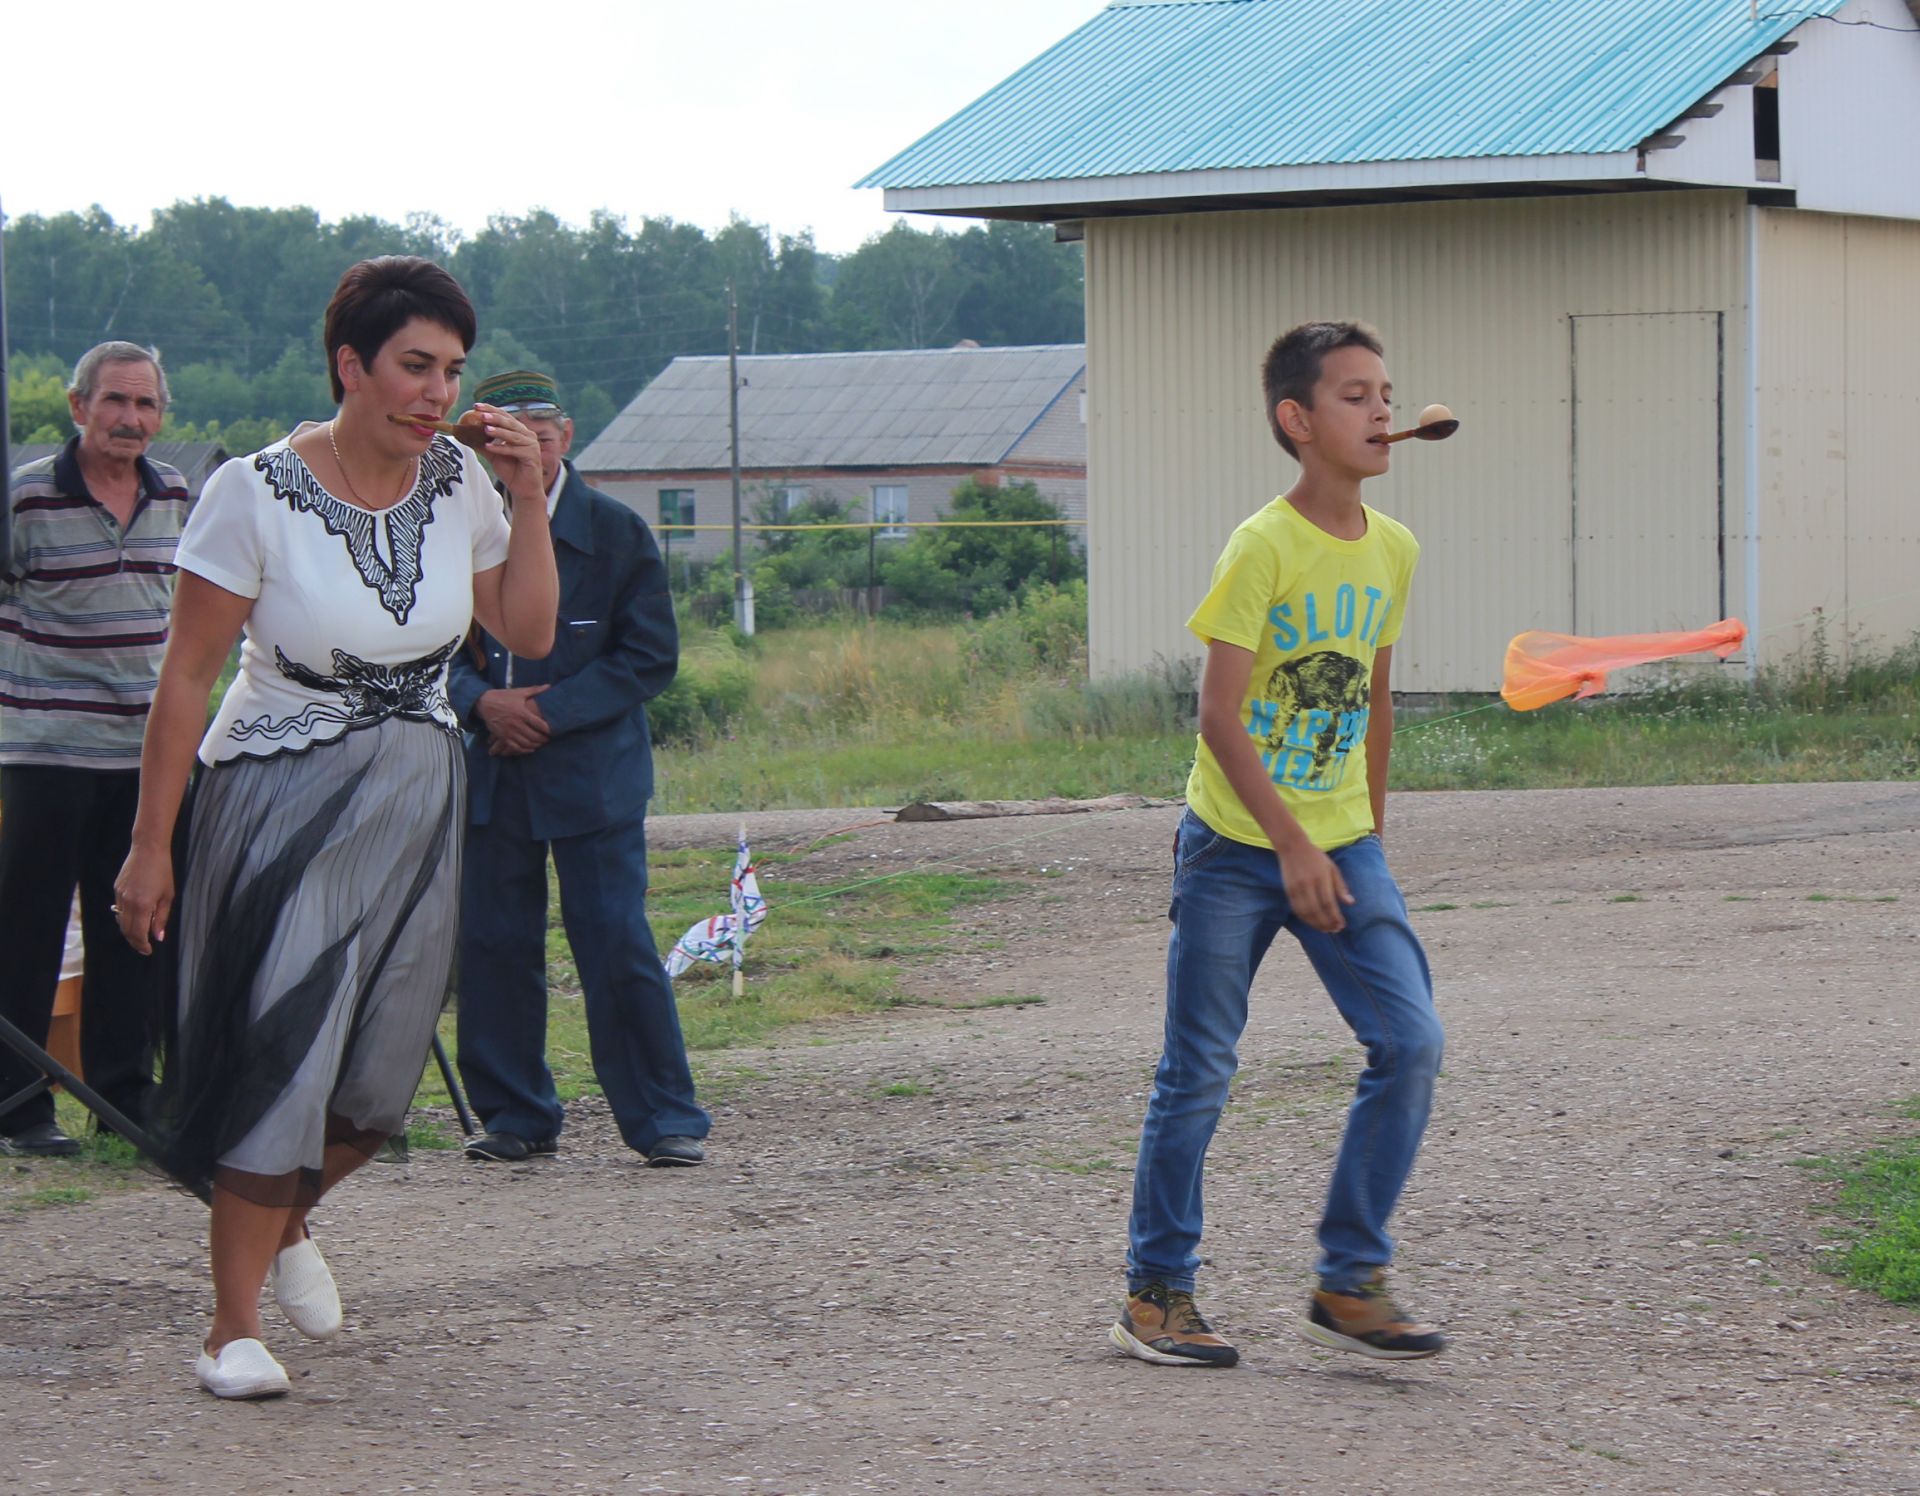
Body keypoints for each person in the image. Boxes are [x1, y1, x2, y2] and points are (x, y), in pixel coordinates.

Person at [112, 258, 558, 1400]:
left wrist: (530, 498)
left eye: (452, 370)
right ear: (351, 366)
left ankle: (287, 1214)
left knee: (375, 1081)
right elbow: (185, 683)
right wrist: (149, 843)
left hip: (416, 794)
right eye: (415, 366)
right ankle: (229, 1328)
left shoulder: (458, 479)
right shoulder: (253, 491)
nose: (436, 391)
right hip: (278, 797)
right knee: (284, 1051)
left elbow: (527, 630)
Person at [1111, 321, 1447, 1369]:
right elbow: (1217, 714)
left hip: (1341, 843)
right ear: (1297, 422)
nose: (1383, 410)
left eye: (1387, 391)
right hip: (1233, 846)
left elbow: (1378, 697)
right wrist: (1292, 844)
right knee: (1200, 1068)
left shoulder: (1393, 547)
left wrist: (1366, 841)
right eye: (1355, 395)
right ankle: (1157, 1291)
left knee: (1412, 1039)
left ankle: (1350, 1278)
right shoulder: (1261, 544)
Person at [449, 369, 708, 1168]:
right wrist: (481, 701)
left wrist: (547, 710)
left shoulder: (616, 532)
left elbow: (648, 657)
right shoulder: (454, 530)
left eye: (546, 421)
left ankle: (663, 1119)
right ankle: (515, 1115)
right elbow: (420, 646)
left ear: (566, 433)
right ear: (485, 444)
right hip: (490, 769)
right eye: (513, 424)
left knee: (613, 940)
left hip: (593, 777)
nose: (535, 434)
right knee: (493, 946)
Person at [1, 343, 187, 1156]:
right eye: (115, 402)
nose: (130, 420)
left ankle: (122, 1094)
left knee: (135, 925)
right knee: (28, 928)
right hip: (46, 751)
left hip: (142, 755)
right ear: (78, 408)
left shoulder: (177, 494)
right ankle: (17, 1104)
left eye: (145, 405)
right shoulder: (26, 498)